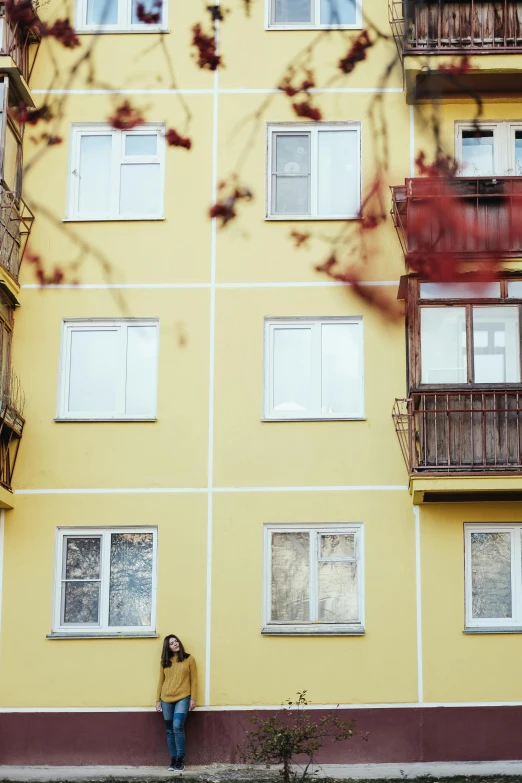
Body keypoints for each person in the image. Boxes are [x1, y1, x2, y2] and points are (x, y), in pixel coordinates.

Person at [156, 634, 197, 772]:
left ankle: (180, 759)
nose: (175, 644)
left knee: (177, 726)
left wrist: (193, 698)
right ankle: (173, 760)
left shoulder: (189, 659)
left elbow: (194, 681)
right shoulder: (164, 661)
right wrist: (157, 700)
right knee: (169, 731)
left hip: (183, 697)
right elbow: (161, 681)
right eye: (171, 643)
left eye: (176, 641)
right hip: (166, 699)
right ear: (167, 647)